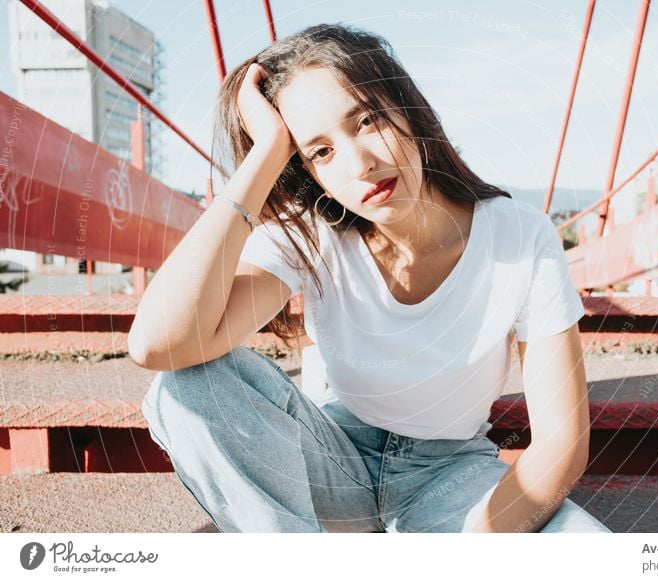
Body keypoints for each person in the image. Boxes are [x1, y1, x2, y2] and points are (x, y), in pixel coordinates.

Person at [128, 23, 611, 534]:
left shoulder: (519, 236)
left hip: (448, 476)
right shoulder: (311, 234)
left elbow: (561, 443)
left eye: (366, 121)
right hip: (330, 463)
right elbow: (159, 345)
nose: (361, 164)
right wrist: (265, 155)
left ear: (409, 110)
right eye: (320, 151)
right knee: (188, 385)